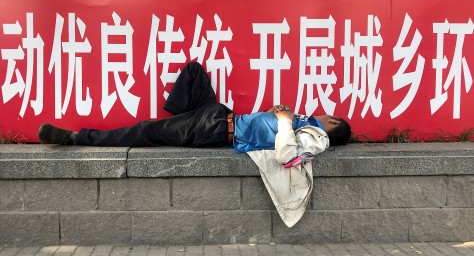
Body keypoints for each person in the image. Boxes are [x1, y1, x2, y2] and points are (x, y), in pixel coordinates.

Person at [38, 61, 351, 152]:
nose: (323, 113)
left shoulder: (314, 136)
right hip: (221, 115)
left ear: (333, 123)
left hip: (217, 129)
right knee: (194, 72)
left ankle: (76, 138)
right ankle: (176, 125)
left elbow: (285, 153)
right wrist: (271, 114)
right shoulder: (305, 122)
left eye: (329, 116)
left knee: (145, 131)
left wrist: (282, 120)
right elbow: (267, 130)